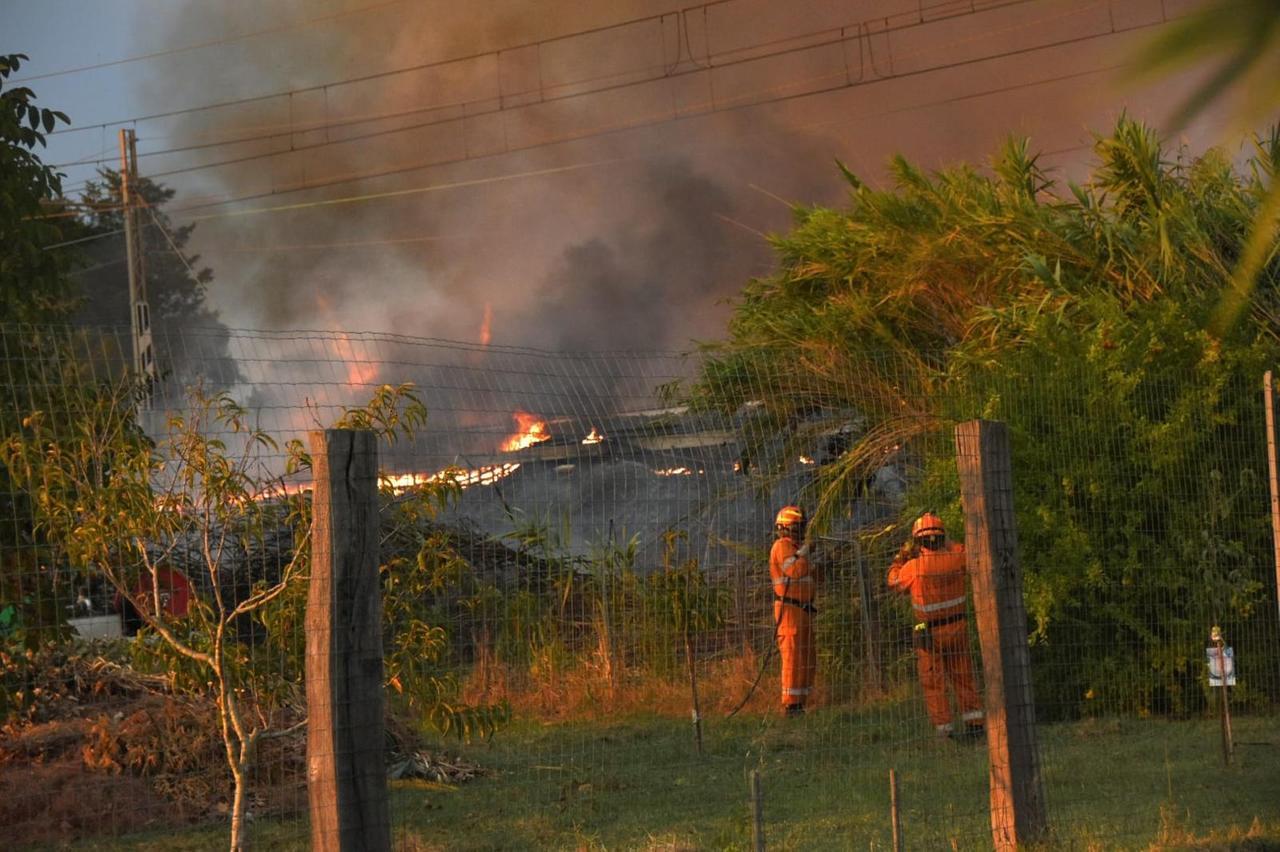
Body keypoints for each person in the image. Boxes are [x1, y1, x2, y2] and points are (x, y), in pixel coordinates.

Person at [887, 512, 984, 739]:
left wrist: (899, 559)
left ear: (918, 540)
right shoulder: (957, 558)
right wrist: (950, 543)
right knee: (964, 676)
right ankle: (975, 725)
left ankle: (945, 731)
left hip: (929, 633)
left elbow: (893, 582)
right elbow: (968, 554)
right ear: (942, 538)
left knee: (934, 683)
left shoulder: (913, 567)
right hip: (958, 627)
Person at [770, 505, 817, 717]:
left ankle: (800, 702)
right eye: (798, 527)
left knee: (806, 656)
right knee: (793, 658)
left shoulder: (795, 549)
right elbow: (795, 570)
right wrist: (806, 552)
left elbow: (808, 574)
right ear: (787, 528)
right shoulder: (782, 546)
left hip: (803, 610)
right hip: (789, 611)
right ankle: (791, 705)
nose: (802, 531)